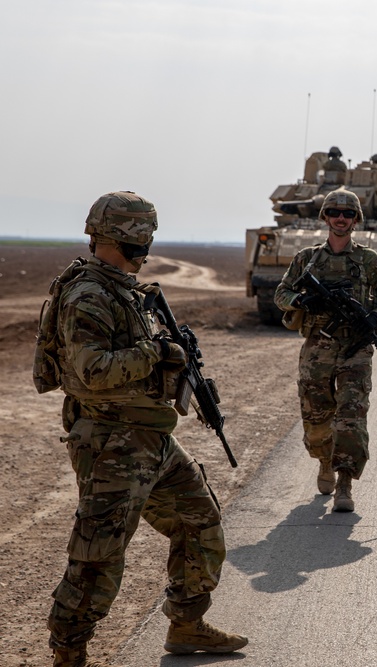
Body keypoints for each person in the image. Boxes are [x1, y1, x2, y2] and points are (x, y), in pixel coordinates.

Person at [43, 192, 247, 667]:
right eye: (143, 233)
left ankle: (186, 624)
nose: (148, 242)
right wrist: (158, 354)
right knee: (99, 553)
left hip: (152, 437)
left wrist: (178, 368)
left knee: (200, 521)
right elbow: (92, 372)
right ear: (120, 235)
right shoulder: (88, 294)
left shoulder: (125, 290)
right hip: (112, 441)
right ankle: (69, 653)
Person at [275, 189, 377, 512]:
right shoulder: (307, 258)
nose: (341, 218)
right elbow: (281, 292)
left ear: (356, 219)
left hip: (355, 349)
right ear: (325, 217)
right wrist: (302, 301)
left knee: (351, 415)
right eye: (334, 212)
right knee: (316, 416)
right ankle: (324, 461)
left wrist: (376, 316)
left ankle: (344, 482)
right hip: (317, 347)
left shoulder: (370, 261)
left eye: (347, 214)